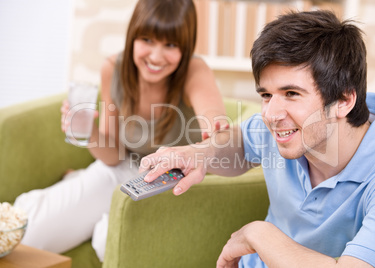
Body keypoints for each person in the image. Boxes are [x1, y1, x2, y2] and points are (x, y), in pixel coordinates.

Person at [140, 10, 375, 267]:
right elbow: (240, 143)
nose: (271, 114)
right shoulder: (285, 129)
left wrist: (259, 234)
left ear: (344, 101)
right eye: (266, 95)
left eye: (291, 93)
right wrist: (198, 154)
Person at [14, 0, 227, 262]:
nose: (156, 56)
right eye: (147, 39)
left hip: (170, 181)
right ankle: (79, 191)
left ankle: (87, 199)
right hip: (123, 169)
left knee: (110, 240)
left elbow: (214, 120)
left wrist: (215, 129)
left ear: (186, 46)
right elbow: (113, 155)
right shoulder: (113, 68)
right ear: (133, 35)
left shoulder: (194, 70)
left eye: (171, 45)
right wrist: (89, 132)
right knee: (29, 231)